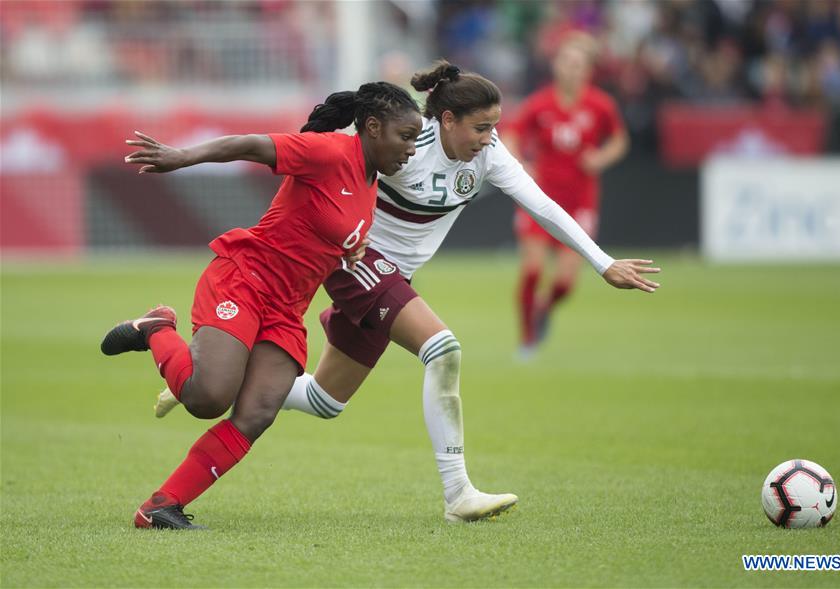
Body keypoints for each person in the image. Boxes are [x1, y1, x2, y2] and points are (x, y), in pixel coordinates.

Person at [156, 61, 659, 523]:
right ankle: (458, 494)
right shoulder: (405, 144)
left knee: (326, 401)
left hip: (395, 279)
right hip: (357, 263)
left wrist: (603, 262)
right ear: (445, 120)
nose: (490, 138)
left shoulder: (489, 157)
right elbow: (334, 163)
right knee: (443, 348)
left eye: (495, 127)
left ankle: (212, 372)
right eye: (480, 127)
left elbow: (543, 205)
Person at [101, 81, 422, 529]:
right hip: (245, 280)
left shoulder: (370, 182)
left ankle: (160, 506)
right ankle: (156, 328)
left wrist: (348, 250)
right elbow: (249, 144)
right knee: (208, 397)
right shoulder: (329, 151)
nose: (412, 148)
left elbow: (326, 228)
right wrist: (181, 157)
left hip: (287, 309)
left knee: (257, 413)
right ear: (372, 127)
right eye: (406, 136)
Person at [505, 32, 631, 358]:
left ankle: (544, 307)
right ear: (556, 65)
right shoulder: (540, 102)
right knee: (532, 270)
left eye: (579, 64)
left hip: (580, 200)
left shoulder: (601, 105)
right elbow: (511, 134)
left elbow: (619, 141)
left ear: (588, 70)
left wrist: (600, 158)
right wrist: (521, 164)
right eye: (567, 62)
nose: (572, 69)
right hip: (540, 197)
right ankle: (527, 339)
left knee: (565, 283)